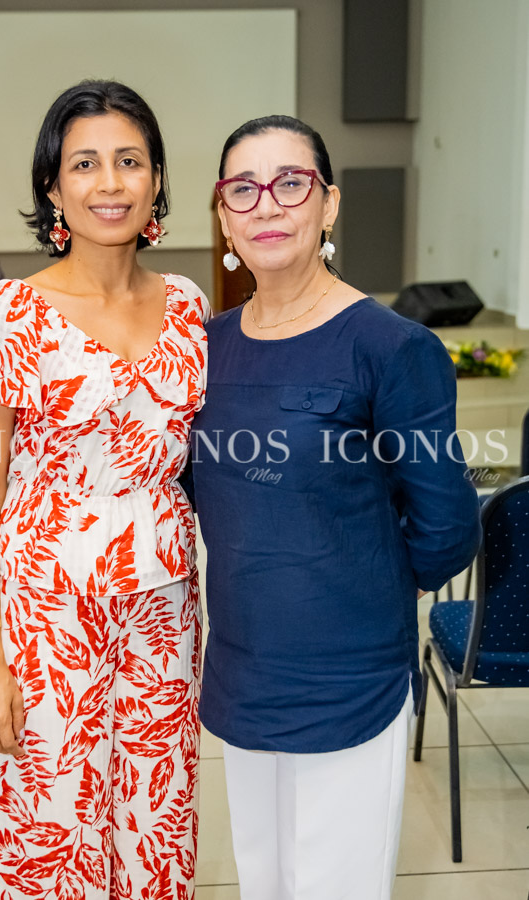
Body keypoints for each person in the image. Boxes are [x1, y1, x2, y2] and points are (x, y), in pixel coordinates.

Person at [190, 115, 482, 900]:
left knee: (334, 886)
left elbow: (449, 527)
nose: (266, 205)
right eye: (241, 189)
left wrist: (362, 585)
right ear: (222, 215)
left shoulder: (388, 346)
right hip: (243, 667)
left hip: (349, 674)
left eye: (291, 183)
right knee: (264, 879)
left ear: (329, 205)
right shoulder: (202, 348)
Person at [0, 80, 209, 899]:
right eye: (85, 164)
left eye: (129, 161)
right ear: (53, 188)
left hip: (164, 608)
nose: (109, 183)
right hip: (46, 615)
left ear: (157, 179)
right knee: (51, 829)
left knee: (157, 817)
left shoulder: (190, 308)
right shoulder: (10, 315)